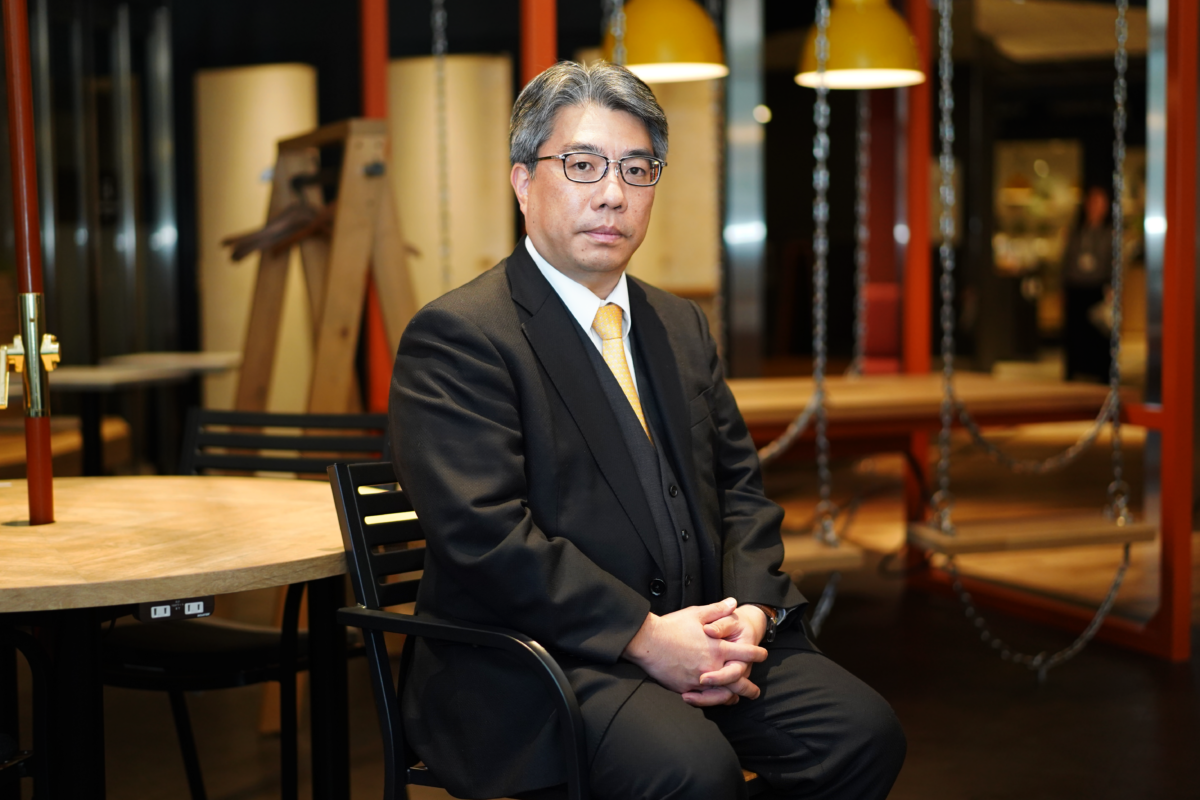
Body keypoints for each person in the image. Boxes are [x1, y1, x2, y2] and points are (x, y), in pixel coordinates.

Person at [390, 61, 905, 800]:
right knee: (692, 771)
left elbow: (741, 490)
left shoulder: (678, 324)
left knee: (860, 734)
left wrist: (751, 613)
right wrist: (646, 636)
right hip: (540, 658)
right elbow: (485, 537)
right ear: (522, 183)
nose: (613, 193)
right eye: (583, 165)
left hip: (703, 632)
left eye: (636, 169)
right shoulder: (462, 335)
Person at [1061, 185, 1114, 382]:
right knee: (1075, 334)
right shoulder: (1076, 232)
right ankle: (1074, 372)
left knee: (1099, 334)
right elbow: (1066, 260)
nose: (1095, 207)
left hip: (1097, 288)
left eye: (1100, 203)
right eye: (1092, 202)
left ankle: (1100, 374)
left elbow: (1113, 262)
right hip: (1076, 288)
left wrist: (1112, 287)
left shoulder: (1109, 234)